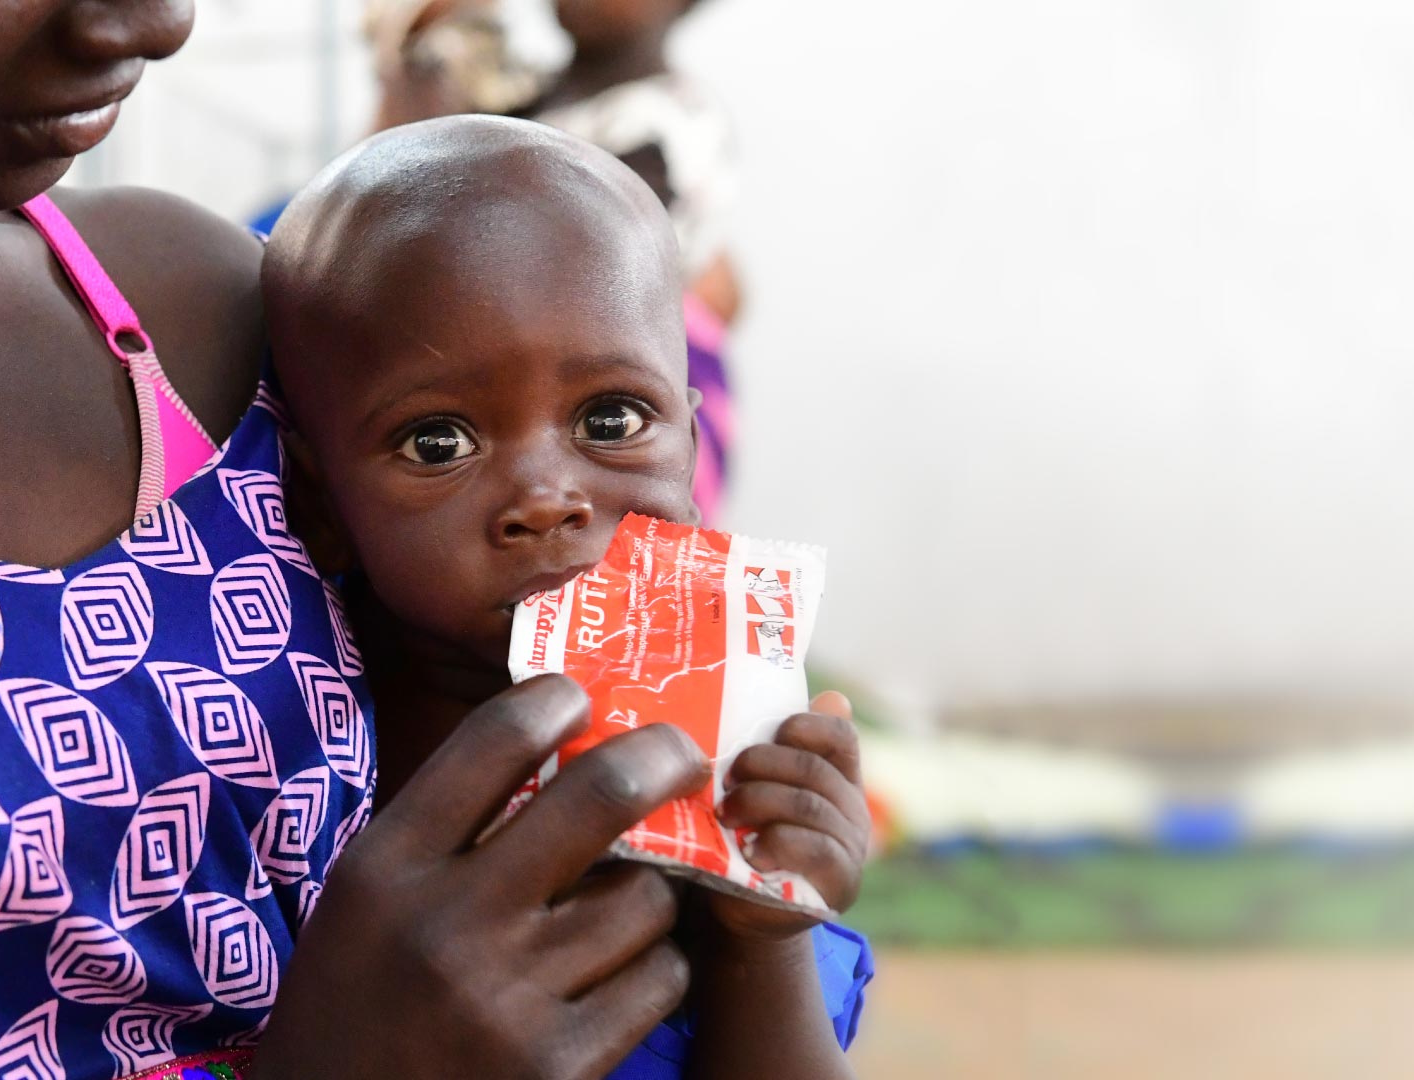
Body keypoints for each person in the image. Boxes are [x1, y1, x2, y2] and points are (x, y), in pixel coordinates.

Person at [0, 4, 721, 1078]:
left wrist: (752, 908)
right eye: (439, 443)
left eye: (610, 422)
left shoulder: (199, 309)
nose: (157, 19)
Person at [261, 114, 872, 1080]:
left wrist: (765, 940)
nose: (548, 498)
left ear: (692, 437)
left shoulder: (721, 762)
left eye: (613, 417)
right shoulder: (284, 786)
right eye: (437, 443)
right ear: (316, 502)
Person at [369, 0, 741, 524]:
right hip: (521, 371)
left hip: (637, 379)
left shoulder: (669, 120)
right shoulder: (523, 91)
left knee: (618, 565)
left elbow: (585, 266)